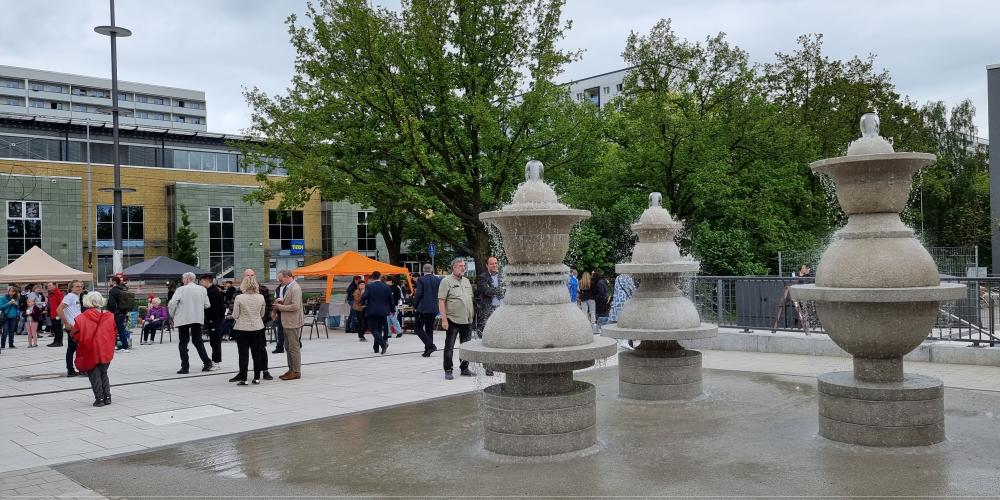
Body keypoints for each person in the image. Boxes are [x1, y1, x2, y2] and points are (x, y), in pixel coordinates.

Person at [72, 291, 117, 407]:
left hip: (90, 350)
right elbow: (114, 332)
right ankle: (107, 397)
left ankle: (99, 399)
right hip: (106, 349)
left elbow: (75, 335)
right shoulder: (110, 316)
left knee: (94, 374)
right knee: (104, 373)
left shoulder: (80, 318)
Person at [168, 272, 215, 374]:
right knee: (198, 341)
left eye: (183, 279)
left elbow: (172, 303)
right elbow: (207, 305)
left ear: (187, 279)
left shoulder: (181, 289)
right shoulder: (202, 289)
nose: (182, 281)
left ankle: (185, 367)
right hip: (197, 318)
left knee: (183, 342)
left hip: (183, 318)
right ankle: (207, 362)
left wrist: (172, 315)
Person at [438, 257, 475, 380]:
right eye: (460, 266)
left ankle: (464, 367)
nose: (463, 268)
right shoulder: (446, 281)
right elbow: (441, 301)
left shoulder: (466, 281)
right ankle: (448, 369)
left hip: (467, 319)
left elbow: (470, 299)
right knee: (449, 346)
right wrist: (444, 319)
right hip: (452, 319)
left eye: (464, 266)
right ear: (454, 267)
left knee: (465, 346)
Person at [230, 275, 269, 385]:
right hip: (257, 327)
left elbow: (235, 314)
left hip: (242, 328)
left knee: (243, 354)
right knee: (256, 353)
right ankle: (256, 378)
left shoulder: (239, 298)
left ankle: (244, 378)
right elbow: (262, 314)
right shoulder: (261, 297)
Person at [273, 270, 304, 380]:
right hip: (287, 321)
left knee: (293, 347)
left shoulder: (295, 288)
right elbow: (290, 302)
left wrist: (280, 307)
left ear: (287, 277)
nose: (280, 281)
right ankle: (291, 369)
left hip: (293, 322)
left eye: (281, 279)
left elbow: (295, 306)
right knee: (288, 347)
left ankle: (296, 371)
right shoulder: (289, 287)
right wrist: (281, 301)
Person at [412, 263, 440, 357]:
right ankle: (428, 350)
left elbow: (419, 294)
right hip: (434, 308)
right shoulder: (437, 279)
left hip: (423, 308)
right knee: (429, 329)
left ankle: (430, 346)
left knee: (418, 328)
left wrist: (414, 305)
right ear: (431, 270)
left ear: (423, 270)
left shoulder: (421, 279)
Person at [362, 271, 393, 355]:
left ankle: (383, 344)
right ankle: (376, 348)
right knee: (378, 329)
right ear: (380, 276)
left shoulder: (369, 286)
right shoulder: (386, 287)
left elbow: (364, 297)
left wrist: (362, 304)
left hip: (372, 311)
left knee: (373, 329)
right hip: (383, 311)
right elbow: (391, 299)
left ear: (372, 277)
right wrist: (392, 309)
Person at [57, 281, 85, 377]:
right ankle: (76, 369)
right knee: (77, 349)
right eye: (77, 286)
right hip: (73, 327)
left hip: (76, 326)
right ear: (71, 288)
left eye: (81, 286)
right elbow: (59, 309)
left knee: (73, 348)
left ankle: (72, 370)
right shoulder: (70, 296)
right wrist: (66, 323)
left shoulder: (75, 297)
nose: (80, 288)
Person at [201, 275, 225, 365]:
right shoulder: (211, 290)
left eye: (202, 281)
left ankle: (216, 361)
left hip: (214, 320)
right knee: (213, 341)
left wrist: (213, 319)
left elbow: (217, 307)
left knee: (215, 341)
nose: (201, 284)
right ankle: (215, 360)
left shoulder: (212, 292)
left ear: (207, 281)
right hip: (214, 319)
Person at [106, 275, 131, 351]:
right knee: (121, 329)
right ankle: (124, 344)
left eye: (110, 281)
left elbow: (112, 304)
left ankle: (122, 345)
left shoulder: (113, 290)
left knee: (113, 329)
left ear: (114, 282)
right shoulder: (123, 289)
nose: (109, 282)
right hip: (123, 312)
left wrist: (109, 312)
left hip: (116, 313)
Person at [46, 282, 64, 347]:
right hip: (51, 313)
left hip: (56, 314)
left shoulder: (58, 293)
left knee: (58, 328)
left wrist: (59, 313)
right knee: (54, 328)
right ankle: (55, 341)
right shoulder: (50, 293)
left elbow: (60, 303)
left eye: (50, 285)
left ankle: (59, 342)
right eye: (48, 285)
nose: (48, 287)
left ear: (54, 286)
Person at [271, 278, 286, 354]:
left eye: (281, 278)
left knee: (289, 330)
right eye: (279, 279)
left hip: (288, 312)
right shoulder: (278, 288)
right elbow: (275, 300)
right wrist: (274, 312)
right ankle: (280, 347)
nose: (280, 280)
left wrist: (280, 300)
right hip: (280, 311)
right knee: (280, 330)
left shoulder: (290, 288)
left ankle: (297, 343)